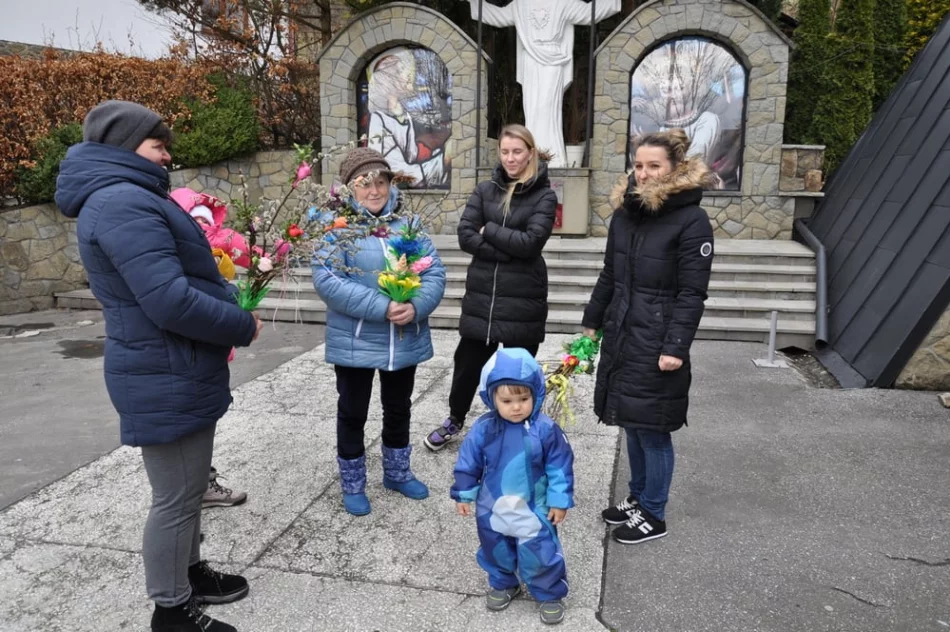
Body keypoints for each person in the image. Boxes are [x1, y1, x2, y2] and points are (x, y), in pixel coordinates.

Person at [55, 100, 264, 632]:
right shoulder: (122, 202)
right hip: (163, 370)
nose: (168, 155)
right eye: (158, 145)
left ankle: (189, 574)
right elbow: (168, 300)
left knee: (189, 489)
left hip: (177, 366)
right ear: (125, 147)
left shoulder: (131, 196)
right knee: (174, 498)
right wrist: (241, 324)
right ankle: (171, 610)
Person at [582, 128, 715, 545]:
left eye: (654, 165)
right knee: (632, 422)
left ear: (675, 168)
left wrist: (675, 346)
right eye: (638, 165)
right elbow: (610, 274)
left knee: (654, 430)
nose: (643, 173)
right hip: (624, 332)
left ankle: (654, 514)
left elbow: (693, 293)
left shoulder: (692, 221)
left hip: (658, 341)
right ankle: (638, 497)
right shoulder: (625, 214)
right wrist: (593, 319)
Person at [312, 147, 446, 516]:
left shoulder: (410, 227)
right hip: (356, 339)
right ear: (350, 189)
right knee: (353, 412)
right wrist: (382, 307)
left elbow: (434, 273)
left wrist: (415, 306)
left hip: (404, 339)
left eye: (381, 182)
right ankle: (353, 484)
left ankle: (397, 473)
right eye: (365, 184)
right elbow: (328, 280)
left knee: (399, 408)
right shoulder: (336, 229)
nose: (374, 191)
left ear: (390, 184)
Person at [423, 125, 557, 452]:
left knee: (517, 370)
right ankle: (455, 418)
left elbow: (531, 243)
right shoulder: (485, 190)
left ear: (530, 153)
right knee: (466, 363)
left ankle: (515, 427)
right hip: (483, 298)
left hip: (522, 300)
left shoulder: (545, 195)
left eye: (517, 151)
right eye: (505, 151)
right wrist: (508, 249)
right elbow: (466, 235)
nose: (511, 158)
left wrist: (491, 229)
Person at [451, 347, 574, 625]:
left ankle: (548, 592)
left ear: (536, 393)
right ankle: (505, 582)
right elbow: (468, 462)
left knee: (540, 549)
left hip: (535, 506)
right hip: (491, 505)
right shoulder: (483, 428)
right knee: (495, 546)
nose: (516, 407)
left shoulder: (545, 428)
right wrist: (463, 492)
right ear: (491, 397)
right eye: (506, 400)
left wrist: (559, 500)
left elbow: (560, 466)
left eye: (524, 398)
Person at [170, 187, 249, 510]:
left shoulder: (218, 240)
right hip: (192, 343)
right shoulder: (176, 248)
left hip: (212, 341)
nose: (202, 229)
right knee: (193, 420)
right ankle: (195, 487)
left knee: (203, 416)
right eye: (196, 222)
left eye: (205, 222)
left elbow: (249, 254)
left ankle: (200, 483)